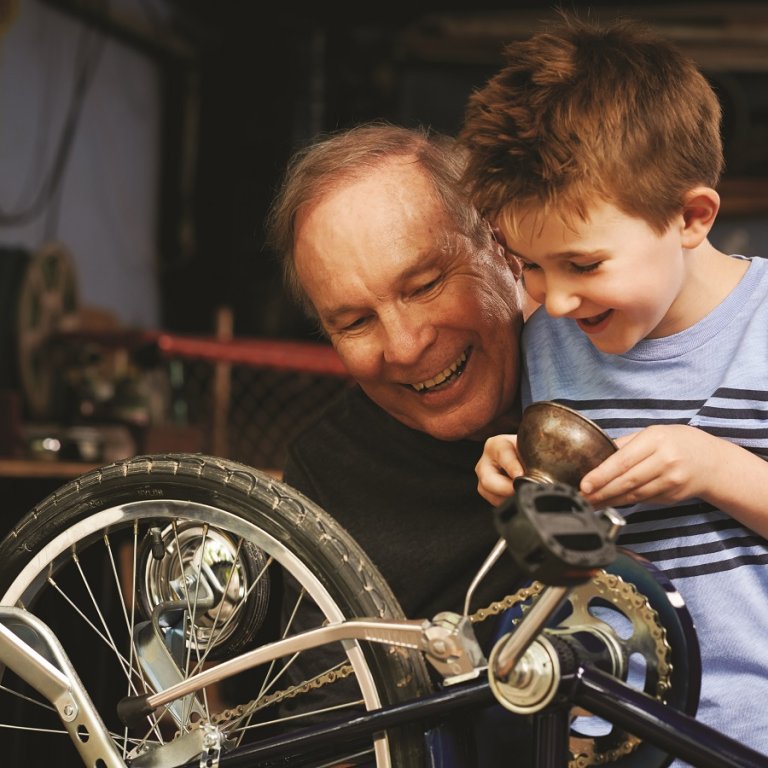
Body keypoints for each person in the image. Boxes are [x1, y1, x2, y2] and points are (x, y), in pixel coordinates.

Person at [459, 12, 768, 762]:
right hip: (595, 736)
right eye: (530, 265)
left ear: (691, 217)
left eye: (584, 265)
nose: (556, 300)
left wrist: (718, 469)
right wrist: (515, 470)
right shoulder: (550, 342)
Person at [264, 121, 533, 764]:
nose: (406, 345)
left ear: (501, 244)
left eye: (425, 284)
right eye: (355, 321)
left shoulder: (613, 368)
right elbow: (328, 735)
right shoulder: (329, 473)